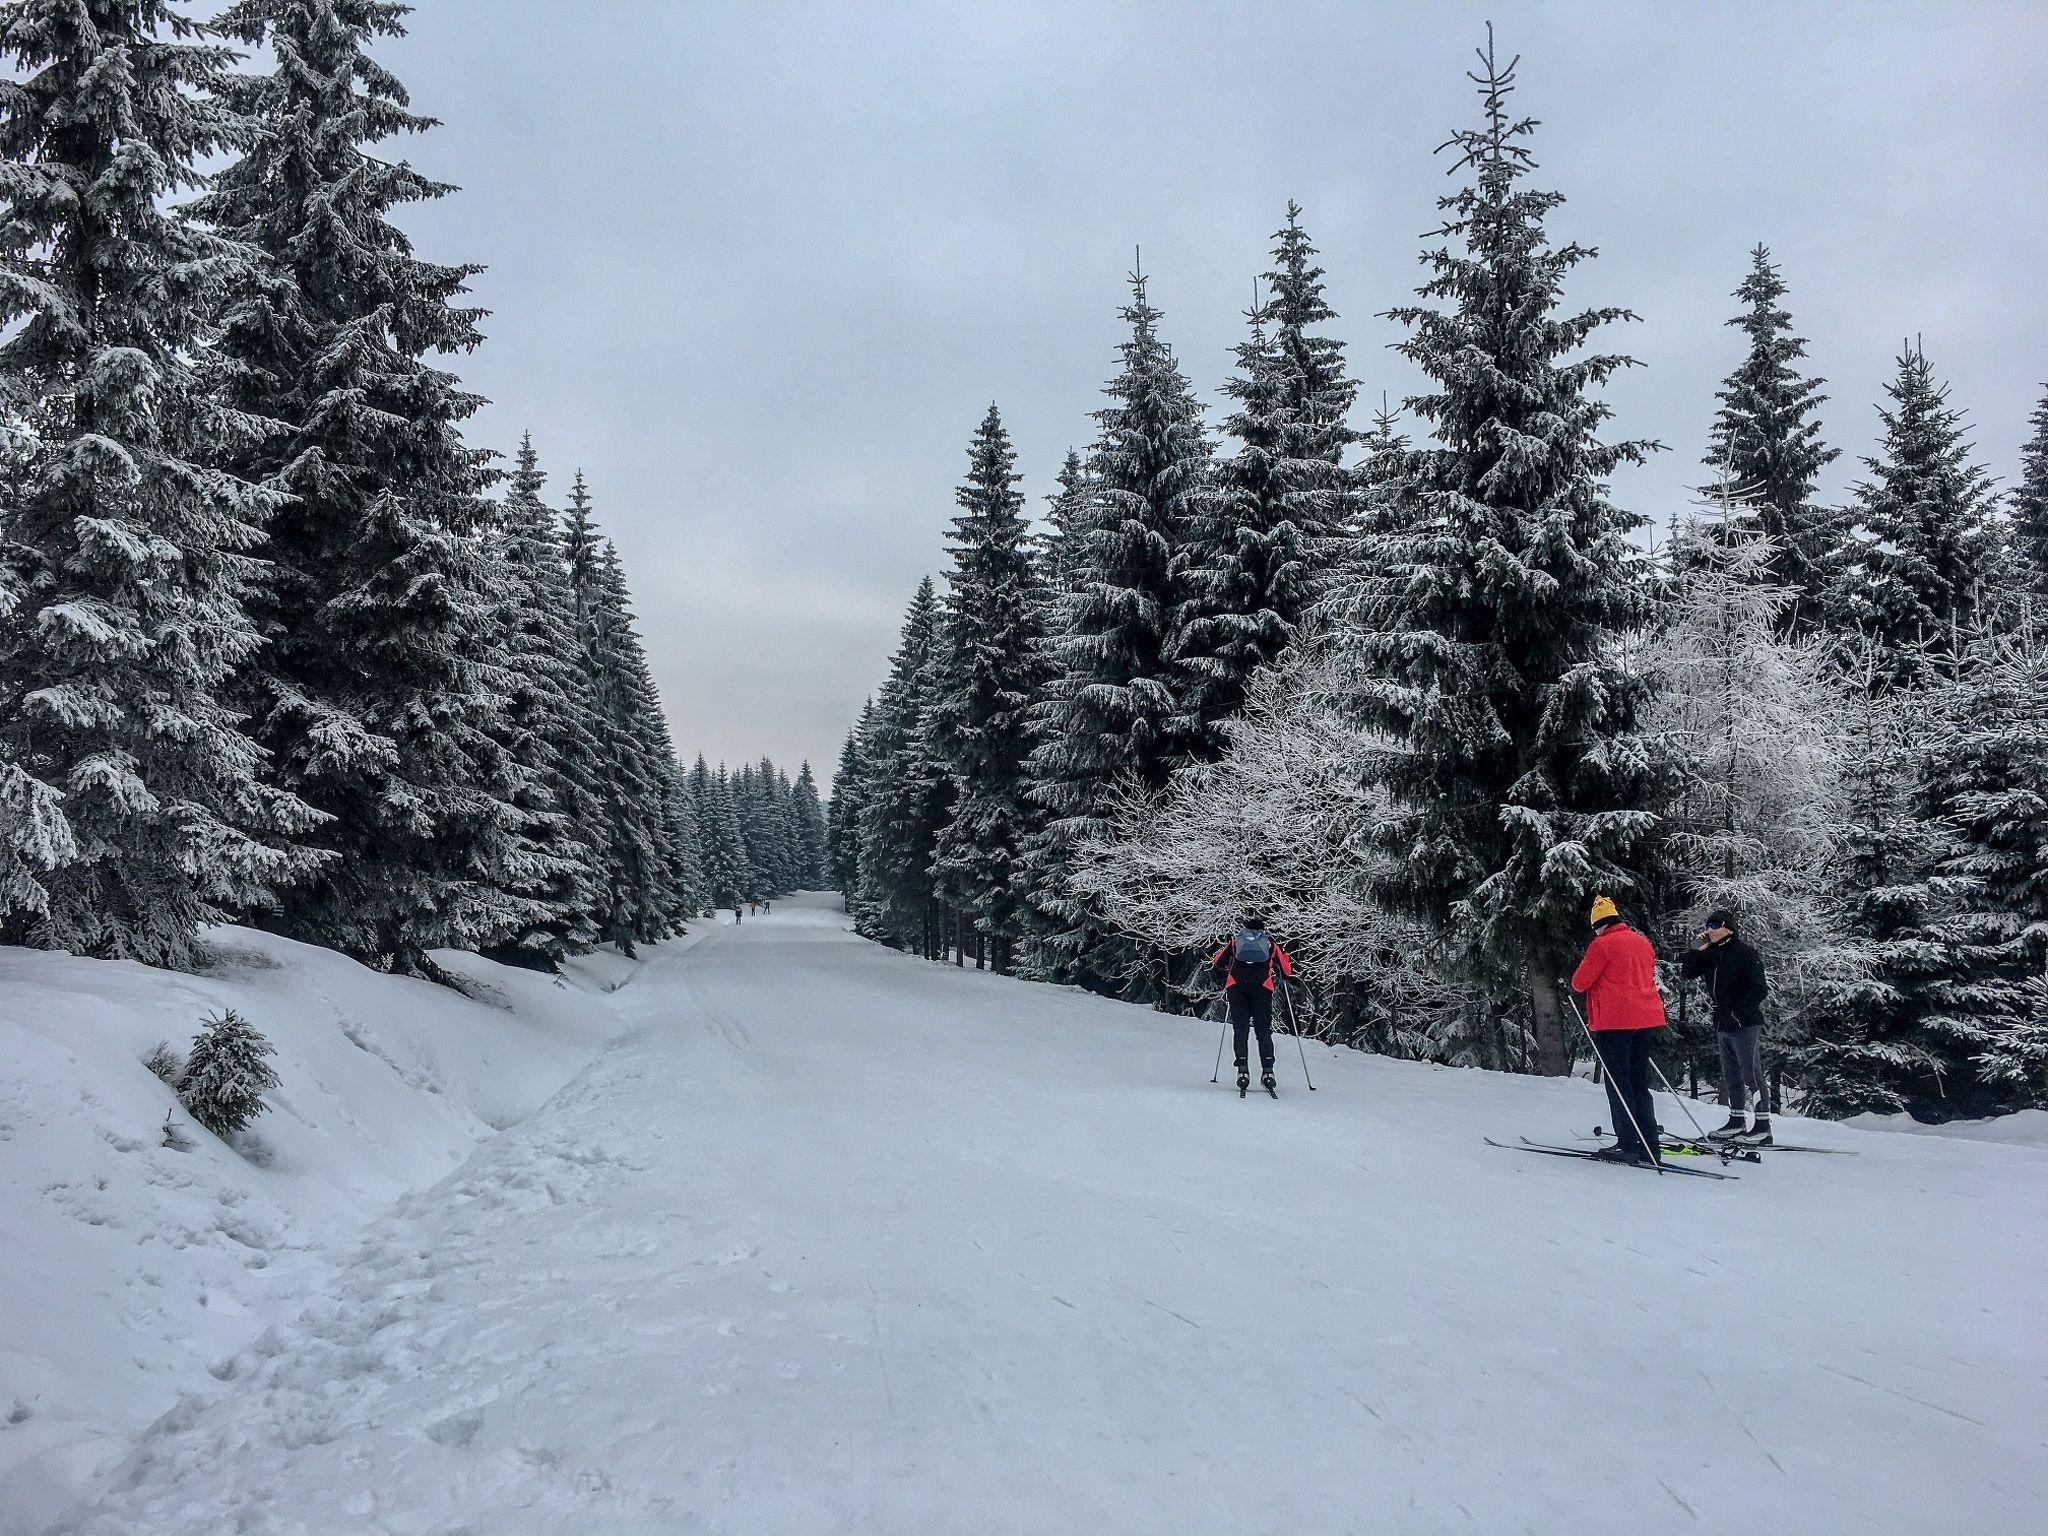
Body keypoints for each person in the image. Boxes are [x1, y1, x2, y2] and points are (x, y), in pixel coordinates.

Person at [1568, 895, 1667, 1166]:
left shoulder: (1601, 945)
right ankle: (1650, 1145)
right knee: (1638, 1083)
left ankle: (1627, 1143)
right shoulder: (1642, 943)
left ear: (1599, 924)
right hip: (1646, 1019)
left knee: (1618, 1082)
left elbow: (1580, 982)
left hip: (1615, 1022)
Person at [1680, 909, 1773, 1146]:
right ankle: (1736, 1121)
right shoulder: (1711, 954)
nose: (1709, 929)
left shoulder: (1745, 953)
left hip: (1745, 1023)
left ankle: (1763, 1126)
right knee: (1731, 1075)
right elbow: (1688, 972)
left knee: (1751, 1074)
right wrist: (1696, 947)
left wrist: (1738, 1012)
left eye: (1715, 924)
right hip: (1722, 1023)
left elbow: (1759, 989)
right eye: (1708, 924)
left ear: (1728, 927)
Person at [1208, 917, 1294, 1093]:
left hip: (1237, 987)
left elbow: (1217, 961)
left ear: (1246, 929)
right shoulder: (1270, 943)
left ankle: (1242, 1071)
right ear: (1263, 930)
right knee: (1263, 1031)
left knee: (1240, 1029)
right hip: (1262, 988)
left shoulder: (1235, 942)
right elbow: (1286, 971)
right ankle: (1268, 1072)